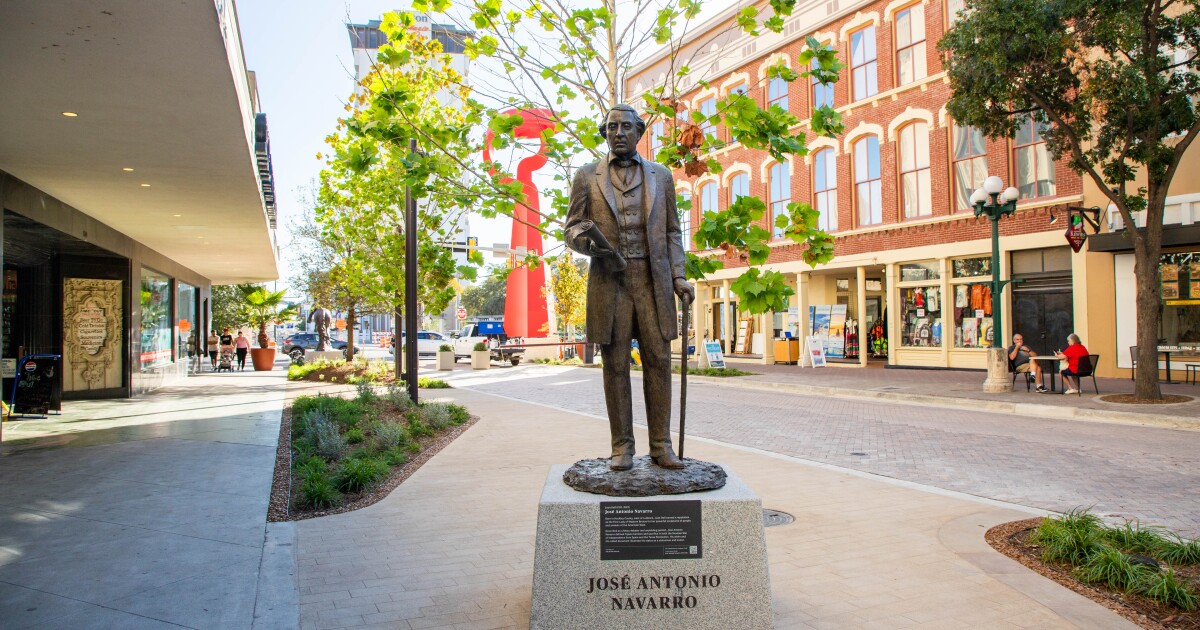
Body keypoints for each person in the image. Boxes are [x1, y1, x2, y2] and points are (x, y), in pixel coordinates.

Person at [565, 103, 694, 471]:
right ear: (604, 133)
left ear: (639, 132)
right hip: (611, 283)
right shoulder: (587, 176)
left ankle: (661, 446)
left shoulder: (662, 175)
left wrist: (678, 276)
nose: (618, 133)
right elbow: (572, 227)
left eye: (625, 127)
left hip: (653, 283)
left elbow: (672, 231)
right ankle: (622, 447)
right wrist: (586, 242)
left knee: (658, 362)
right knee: (615, 365)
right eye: (611, 127)